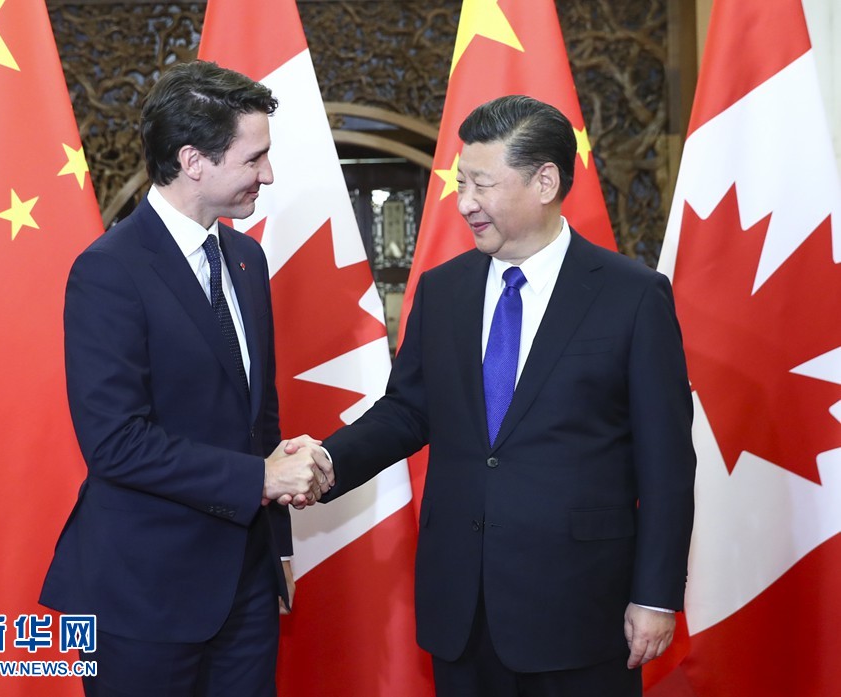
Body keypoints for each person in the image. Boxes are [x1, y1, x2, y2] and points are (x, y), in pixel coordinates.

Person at [315, 95, 696, 697]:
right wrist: (326, 460)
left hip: (580, 607)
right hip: (462, 607)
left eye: (482, 185)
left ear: (545, 181)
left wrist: (655, 595)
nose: (465, 202)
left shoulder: (633, 296)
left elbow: (667, 462)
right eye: (462, 183)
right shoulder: (442, 291)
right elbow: (409, 410)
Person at [40, 60, 333, 697]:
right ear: (193, 161)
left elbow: (260, 420)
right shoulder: (108, 271)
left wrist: (279, 544)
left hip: (247, 588)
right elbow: (116, 442)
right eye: (254, 158)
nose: (268, 174)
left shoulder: (246, 259)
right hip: (144, 596)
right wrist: (260, 479)